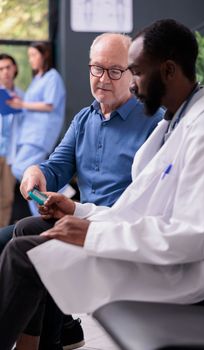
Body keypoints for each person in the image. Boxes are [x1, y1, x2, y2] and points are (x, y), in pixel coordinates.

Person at [1, 18, 204, 350]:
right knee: (28, 238)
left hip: (180, 275)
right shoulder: (176, 124)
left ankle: (59, 334)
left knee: (26, 254)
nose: (134, 86)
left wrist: (90, 231)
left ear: (167, 71)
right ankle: (52, 338)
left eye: (134, 72)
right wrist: (79, 209)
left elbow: (192, 238)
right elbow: (140, 209)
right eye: (99, 69)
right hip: (153, 252)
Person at [0, 32, 163, 349]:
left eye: (114, 70)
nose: (103, 78)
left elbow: (151, 208)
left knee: (29, 238)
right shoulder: (85, 118)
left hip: (117, 234)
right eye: (96, 69)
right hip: (76, 223)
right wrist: (37, 171)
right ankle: (59, 330)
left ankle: (50, 337)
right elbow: (56, 166)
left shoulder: (154, 124)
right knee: (12, 239)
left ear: (132, 74)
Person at [7, 41, 66, 215]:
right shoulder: (37, 79)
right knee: (32, 181)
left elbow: (49, 105)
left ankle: (61, 193)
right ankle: (43, 215)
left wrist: (22, 103)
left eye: (34, 55)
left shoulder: (52, 77)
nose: (30, 60)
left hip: (40, 134)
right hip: (29, 133)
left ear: (44, 55)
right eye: (29, 56)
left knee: (20, 169)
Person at [0, 54, 24, 227]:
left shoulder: (24, 97)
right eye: (1, 69)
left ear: (15, 68)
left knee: (6, 198)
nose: (5, 72)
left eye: (8, 67)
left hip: (11, 154)